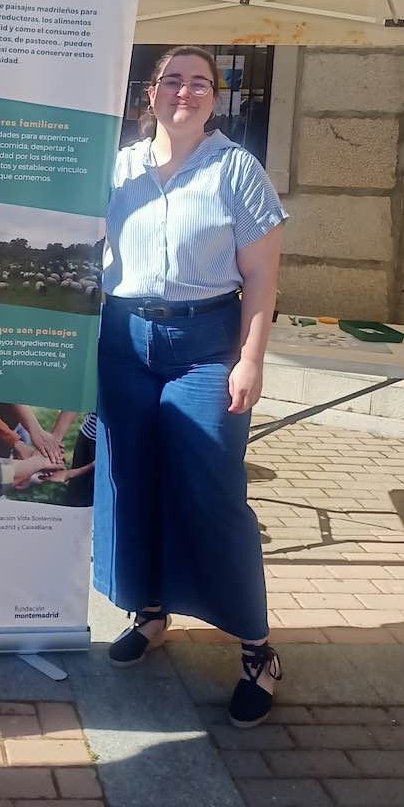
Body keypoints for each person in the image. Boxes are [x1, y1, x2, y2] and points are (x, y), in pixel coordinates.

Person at [95, 45, 287, 728]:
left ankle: (258, 648)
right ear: (151, 92)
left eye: (199, 82)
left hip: (207, 345)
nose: (185, 91)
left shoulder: (236, 168)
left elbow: (262, 277)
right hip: (123, 342)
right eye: (172, 80)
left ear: (215, 96)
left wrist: (251, 358)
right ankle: (149, 611)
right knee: (129, 478)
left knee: (212, 490)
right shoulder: (116, 168)